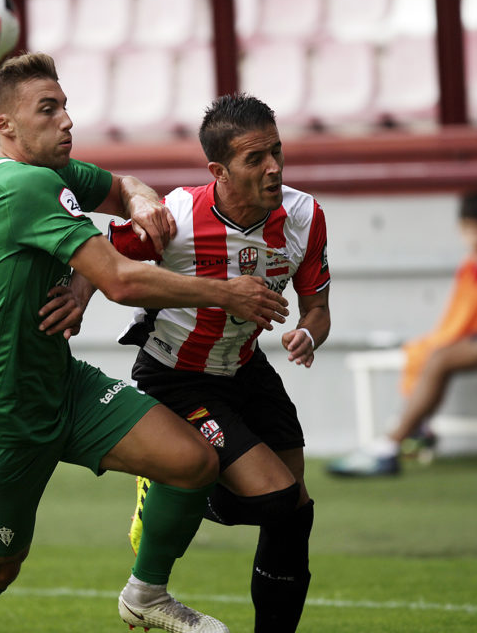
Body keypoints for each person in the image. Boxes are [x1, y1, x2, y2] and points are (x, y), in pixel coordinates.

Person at [0, 54, 290, 633]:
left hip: (63, 386)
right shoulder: (21, 185)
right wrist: (225, 294)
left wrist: (139, 201)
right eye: (48, 109)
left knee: (191, 461)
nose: (67, 120)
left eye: (65, 106)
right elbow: (119, 280)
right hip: (0, 416)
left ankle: (146, 596)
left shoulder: (52, 173)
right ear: (5, 127)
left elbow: (121, 187)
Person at [53, 93, 330, 633]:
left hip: (246, 369)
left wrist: (307, 334)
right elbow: (108, 252)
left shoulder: (304, 215)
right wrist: (79, 295)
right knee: (275, 500)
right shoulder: (177, 215)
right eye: (256, 159)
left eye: (277, 151)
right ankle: (178, 482)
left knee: (295, 511)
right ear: (218, 171)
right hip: (176, 376)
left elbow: (316, 306)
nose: (273, 167)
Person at [327, 192, 477, 477]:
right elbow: (456, 316)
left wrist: (467, 340)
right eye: (471, 229)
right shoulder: (470, 266)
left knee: (437, 357)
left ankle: (392, 443)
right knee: (426, 351)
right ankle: (409, 433)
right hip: (464, 341)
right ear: (461, 231)